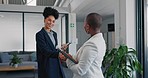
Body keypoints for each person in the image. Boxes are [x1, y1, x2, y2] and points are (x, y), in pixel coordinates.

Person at [64, 13, 106, 78]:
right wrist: (71, 57)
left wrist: (67, 60)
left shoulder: (92, 44)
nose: (83, 27)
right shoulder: (99, 40)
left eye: (84, 24)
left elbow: (80, 70)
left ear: (87, 26)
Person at [35, 7, 65, 78]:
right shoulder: (39, 34)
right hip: (46, 63)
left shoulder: (54, 34)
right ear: (44, 20)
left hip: (55, 62)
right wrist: (58, 54)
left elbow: (54, 48)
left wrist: (61, 49)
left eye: (53, 21)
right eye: (49, 20)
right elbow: (44, 51)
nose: (51, 23)